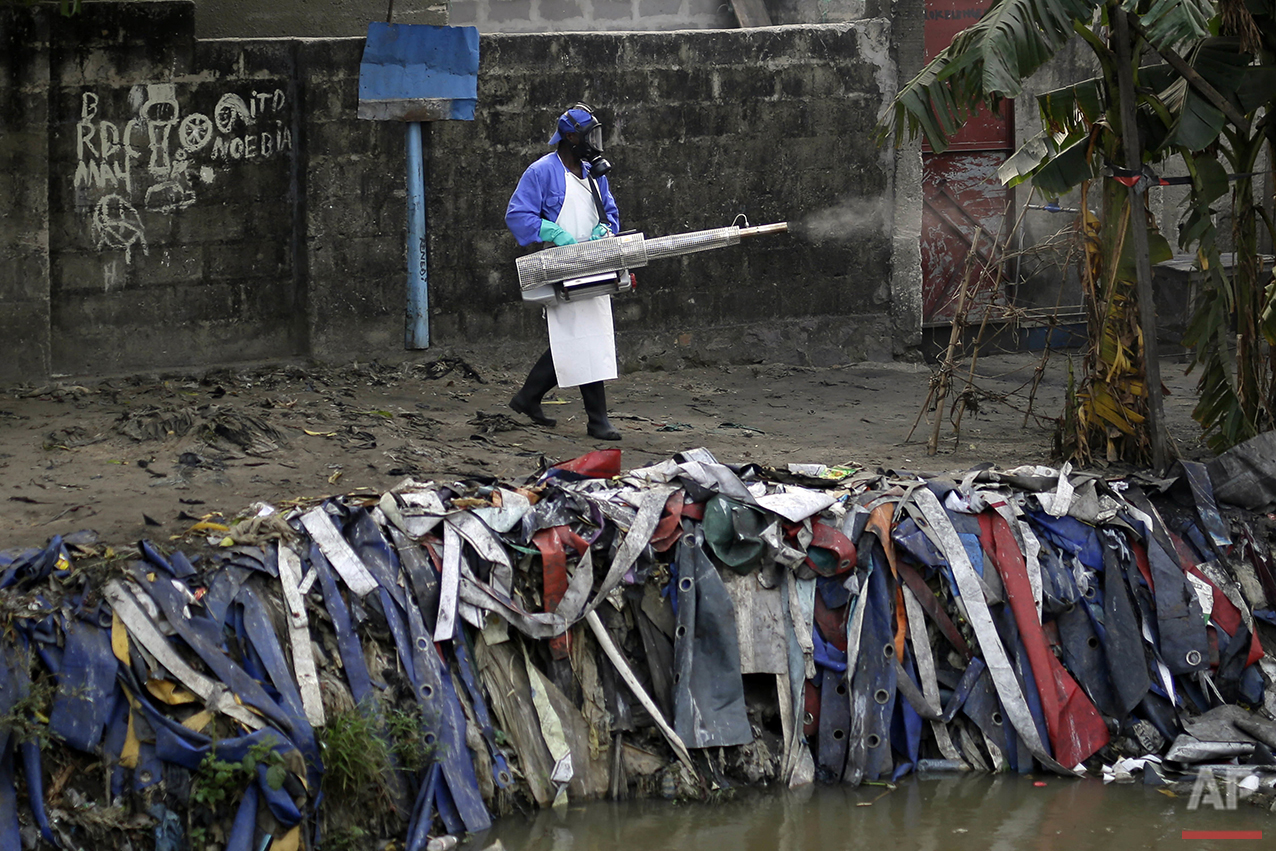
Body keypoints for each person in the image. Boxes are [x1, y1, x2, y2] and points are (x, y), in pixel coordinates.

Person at [505, 102, 623, 441]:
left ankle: (527, 397)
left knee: (585, 335)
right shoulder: (541, 172)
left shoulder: (593, 173)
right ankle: (597, 420)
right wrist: (552, 232)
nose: (594, 142)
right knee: (580, 335)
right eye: (589, 135)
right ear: (571, 136)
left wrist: (606, 229)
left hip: (594, 260)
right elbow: (518, 215)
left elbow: (610, 214)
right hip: (560, 263)